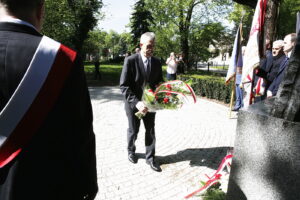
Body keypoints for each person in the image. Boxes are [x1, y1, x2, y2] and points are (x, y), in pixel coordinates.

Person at [0, 1, 98, 200]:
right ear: (41, 9)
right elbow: (80, 134)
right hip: (44, 185)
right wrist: (87, 184)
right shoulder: (62, 59)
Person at [120, 32, 163, 172]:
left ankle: (150, 158)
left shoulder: (157, 62)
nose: (151, 49)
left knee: (150, 130)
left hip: (150, 104)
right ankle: (131, 151)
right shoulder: (130, 61)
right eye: (149, 46)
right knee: (133, 130)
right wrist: (137, 102)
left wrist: (162, 91)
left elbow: (159, 82)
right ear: (141, 45)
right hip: (134, 104)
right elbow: (124, 85)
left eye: (153, 46)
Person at [267, 33, 297, 97]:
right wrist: (270, 89)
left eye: (285, 43)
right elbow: (277, 76)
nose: (283, 45)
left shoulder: (295, 62)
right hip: (274, 94)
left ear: (293, 43)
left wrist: (275, 94)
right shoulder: (285, 59)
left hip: (283, 96)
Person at [232, 46, 245, 111]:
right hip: (237, 78)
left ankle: (242, 108)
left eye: (243, 51)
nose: (242, 53)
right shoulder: (238, 59)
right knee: (237, 95)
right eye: (241, 51)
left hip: (242, 79)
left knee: (241, 94)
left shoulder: (245, 59)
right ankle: (237, 106)